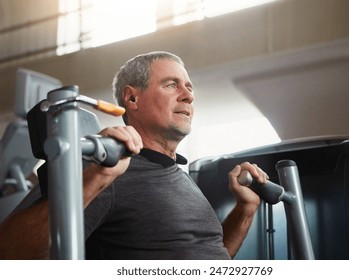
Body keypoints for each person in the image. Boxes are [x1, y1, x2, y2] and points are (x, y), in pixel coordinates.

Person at [0, 51, 268, 260]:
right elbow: (11, 254)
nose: (188, 96)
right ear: (132, 99)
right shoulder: (105, 168)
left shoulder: (176, 175)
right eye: (171, 85)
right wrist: (98, 177)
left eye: (189, 87)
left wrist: (245, 210)